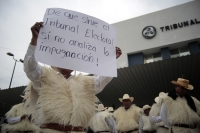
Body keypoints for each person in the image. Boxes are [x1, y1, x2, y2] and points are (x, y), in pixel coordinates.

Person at [23, 22, 122, 133]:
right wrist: (34, 40)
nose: (70, 62)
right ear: (58, 62)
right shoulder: (45, 76)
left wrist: (111, 60)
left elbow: (102, 81)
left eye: (72, 59)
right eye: (66, 59)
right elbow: (30, 68)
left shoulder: (85, 82)